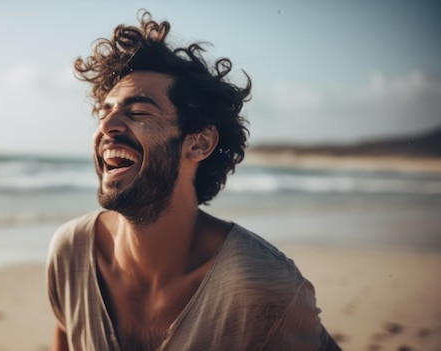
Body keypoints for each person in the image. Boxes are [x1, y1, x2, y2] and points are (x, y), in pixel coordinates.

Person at [46, 10, 341, 351]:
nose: (107, 126)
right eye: (104, 112)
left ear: (199, 143)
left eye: (139, 112)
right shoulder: (71, 252)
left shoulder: (263, 286)